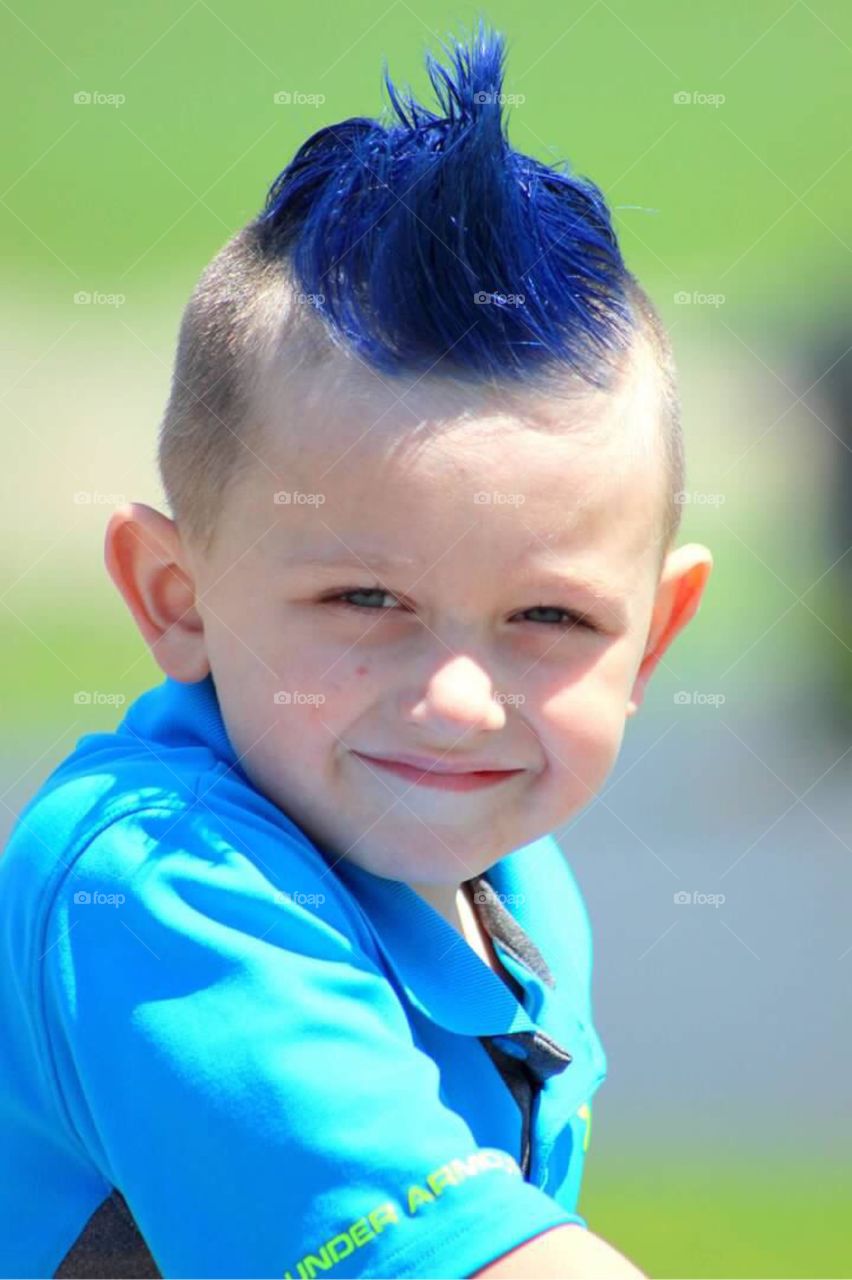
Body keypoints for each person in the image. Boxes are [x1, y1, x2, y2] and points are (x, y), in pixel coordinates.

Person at [0, 21, 712, 1280]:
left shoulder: (519, 882)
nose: (457, 701)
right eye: (366, 598)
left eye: (550, 618)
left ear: (652, 636)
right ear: (175, 596)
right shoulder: (153, 884)